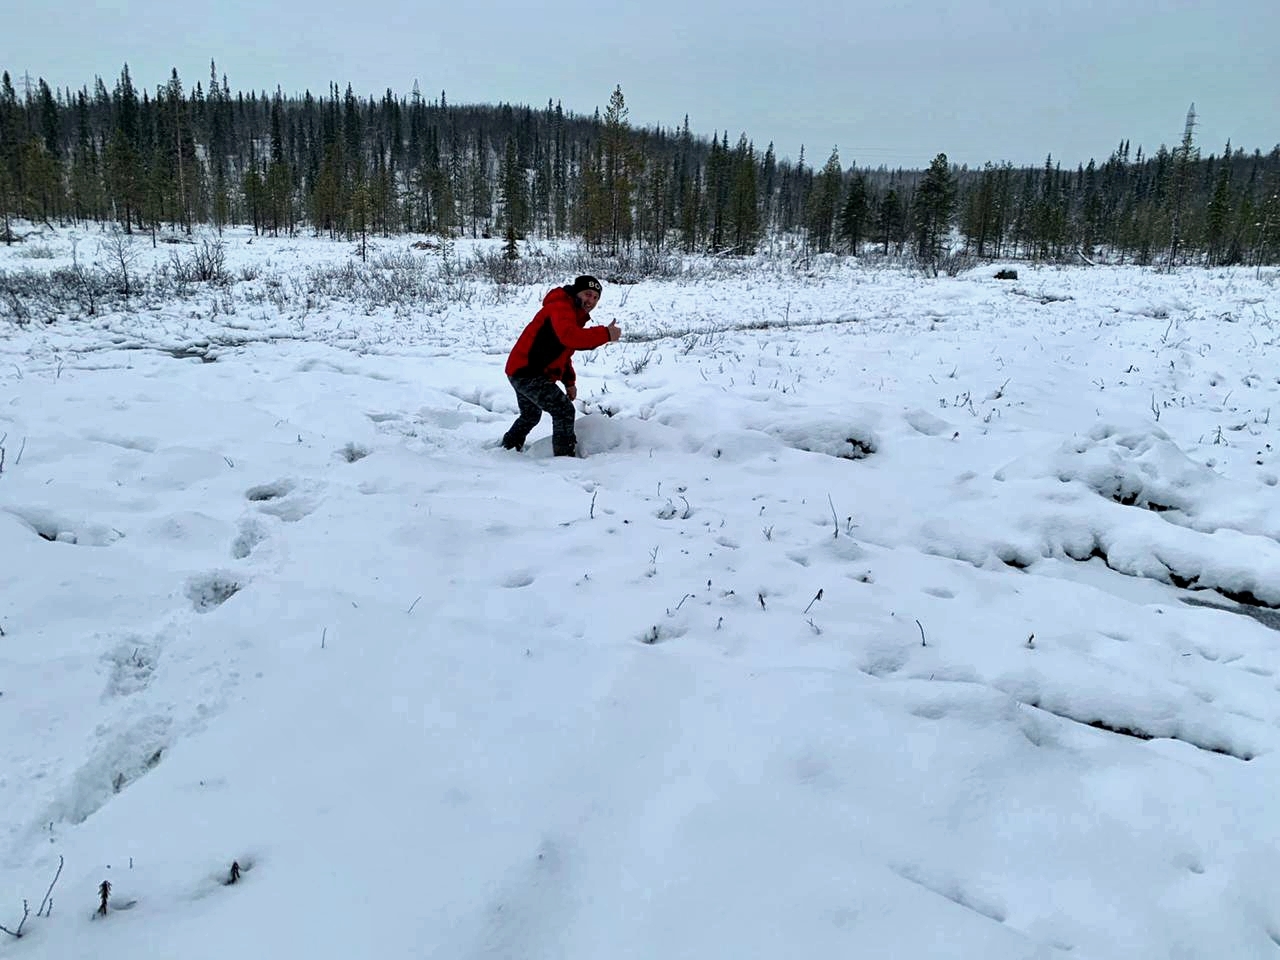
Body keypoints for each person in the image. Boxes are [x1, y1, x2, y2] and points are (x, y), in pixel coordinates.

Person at [501, 275, 622, 457]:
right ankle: (564, 458)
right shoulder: (561, 307)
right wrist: (606, 333)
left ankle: (507, 448)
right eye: (588, 294)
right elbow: (570, 337)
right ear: (576, 292)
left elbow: (563, 353)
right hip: (527, 372)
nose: (591, 300)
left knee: (531, 415)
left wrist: (569, 382)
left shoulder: (572, 313)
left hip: (520, 370)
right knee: (564, 411)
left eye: (595, 298)